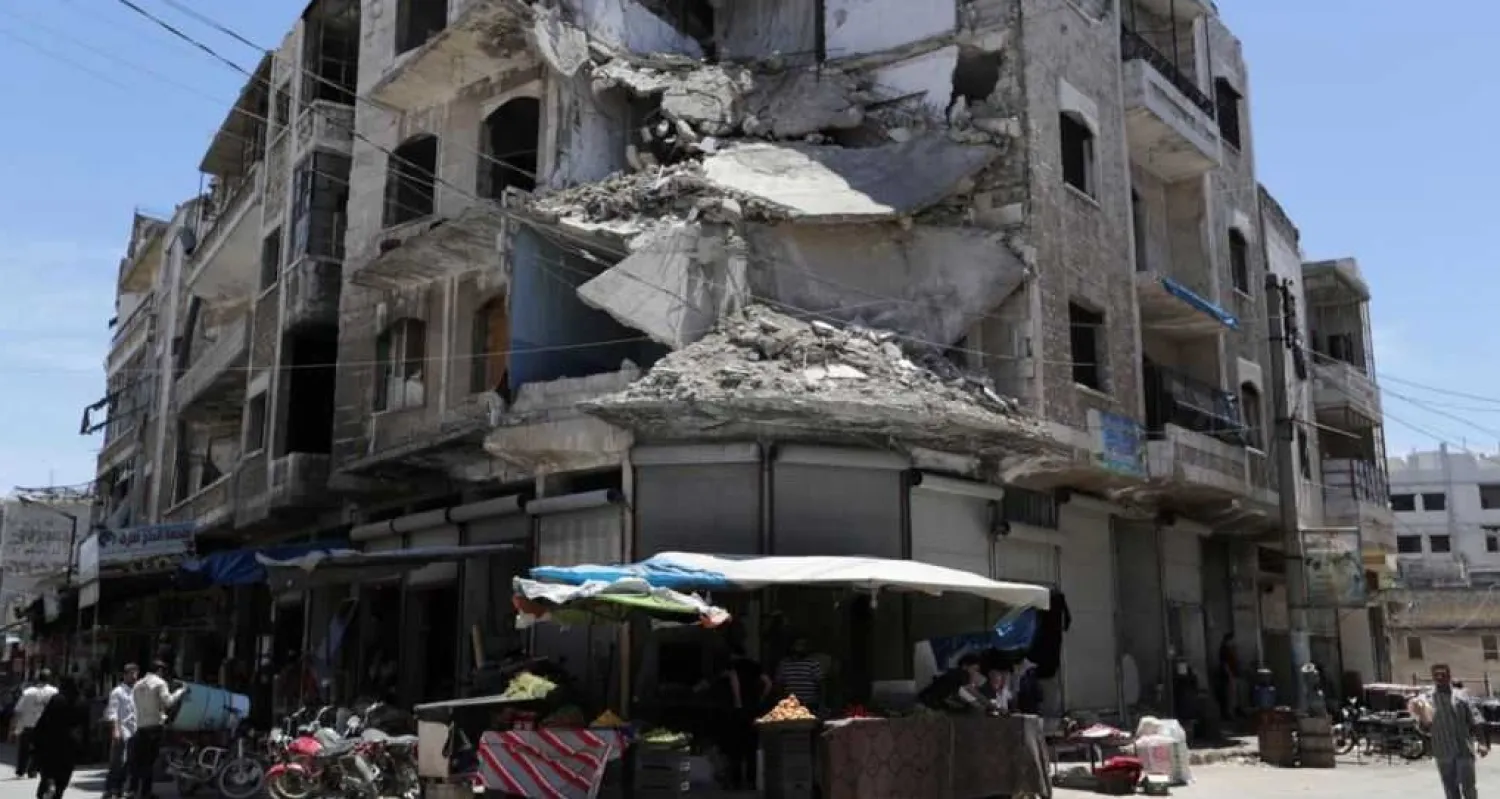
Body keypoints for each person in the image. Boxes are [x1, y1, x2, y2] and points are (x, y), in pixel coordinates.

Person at [1421, 663, 1488, 799]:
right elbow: (1424, 727)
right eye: (1436, 675)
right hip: (1443, 751)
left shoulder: (1462, 696)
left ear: (1449, 676)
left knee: (1469, 788)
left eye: (1443, 674)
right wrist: (1422, 716)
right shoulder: (1426, 700)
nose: (1440, 677)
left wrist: (1482, 743)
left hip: (1463, 749)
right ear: (1433, 677)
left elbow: (1475, 719)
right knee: (1450, 789)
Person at [129, 661, 188, 799]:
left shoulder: (137, 685)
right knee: (149, 762)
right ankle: (146, 792)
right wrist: (181, 691)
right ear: (160, 670)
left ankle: (133, 790)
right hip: (154, 727)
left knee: (138, 761)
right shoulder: (160, 683)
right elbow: (168, 702)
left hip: (140, 726)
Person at [721, 644, 771, 790]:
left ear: (733, 655)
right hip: (753, 708)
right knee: (752, 746)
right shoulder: (754, 666)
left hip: (739, 711)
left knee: (736, 746)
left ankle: (736, 781)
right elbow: (768, 683)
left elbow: (734, 682)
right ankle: (752, 780)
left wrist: (738, 702)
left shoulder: (732, 665)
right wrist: (761, 698)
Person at [32, 677, 86, 799]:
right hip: (72, 742)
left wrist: (36, 737)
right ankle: (58, 792)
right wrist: (84, 746)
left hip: (52, 740)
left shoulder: (57, 699)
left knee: (48, 769)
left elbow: (45, 719)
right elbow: (85, 726)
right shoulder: (83, 701)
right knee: (65, 772)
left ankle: (48, 785)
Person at [12, 670, 58, 779]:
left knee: (24, 750)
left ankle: (21, 771)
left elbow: (18, 710)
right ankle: (33, 771)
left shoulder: (28, 692)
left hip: (28, 724)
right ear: (50, 679)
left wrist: (15, 726)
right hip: (45, 726)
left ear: (38, 678)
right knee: (39, 749)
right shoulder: (54, 692)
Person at [103, 664, 139, 799]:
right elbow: (112, 713)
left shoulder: (136, 691)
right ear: (125, 675)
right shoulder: (117, 692)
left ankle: (119, 789)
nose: (134, 677)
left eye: (136, 674)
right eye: (131, 674)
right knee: (117, 762)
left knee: (128, 762)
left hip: (134, 731)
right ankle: (109, 789)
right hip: (121, 730)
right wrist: (116, 730)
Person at [775, 637, 825, 712]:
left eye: (804, 645)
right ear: (792, 646)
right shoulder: (784, 664)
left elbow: (821, 684)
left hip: (809, 705)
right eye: (799, 644)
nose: (802, 647)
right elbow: (779, 684)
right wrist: (780, 702)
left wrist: (822, 704)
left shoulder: (813, 663)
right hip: (789, 706)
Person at [1217, 633, 1239, 720]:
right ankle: (1229, 713)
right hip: (1228, 676)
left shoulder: (1228, 649)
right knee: (1230, 695)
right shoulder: (1224, 650)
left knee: (1232, 695)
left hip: (1230, 674)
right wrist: (1230, 675)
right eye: (1232, 640)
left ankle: (1231, 712)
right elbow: (1225, 664)